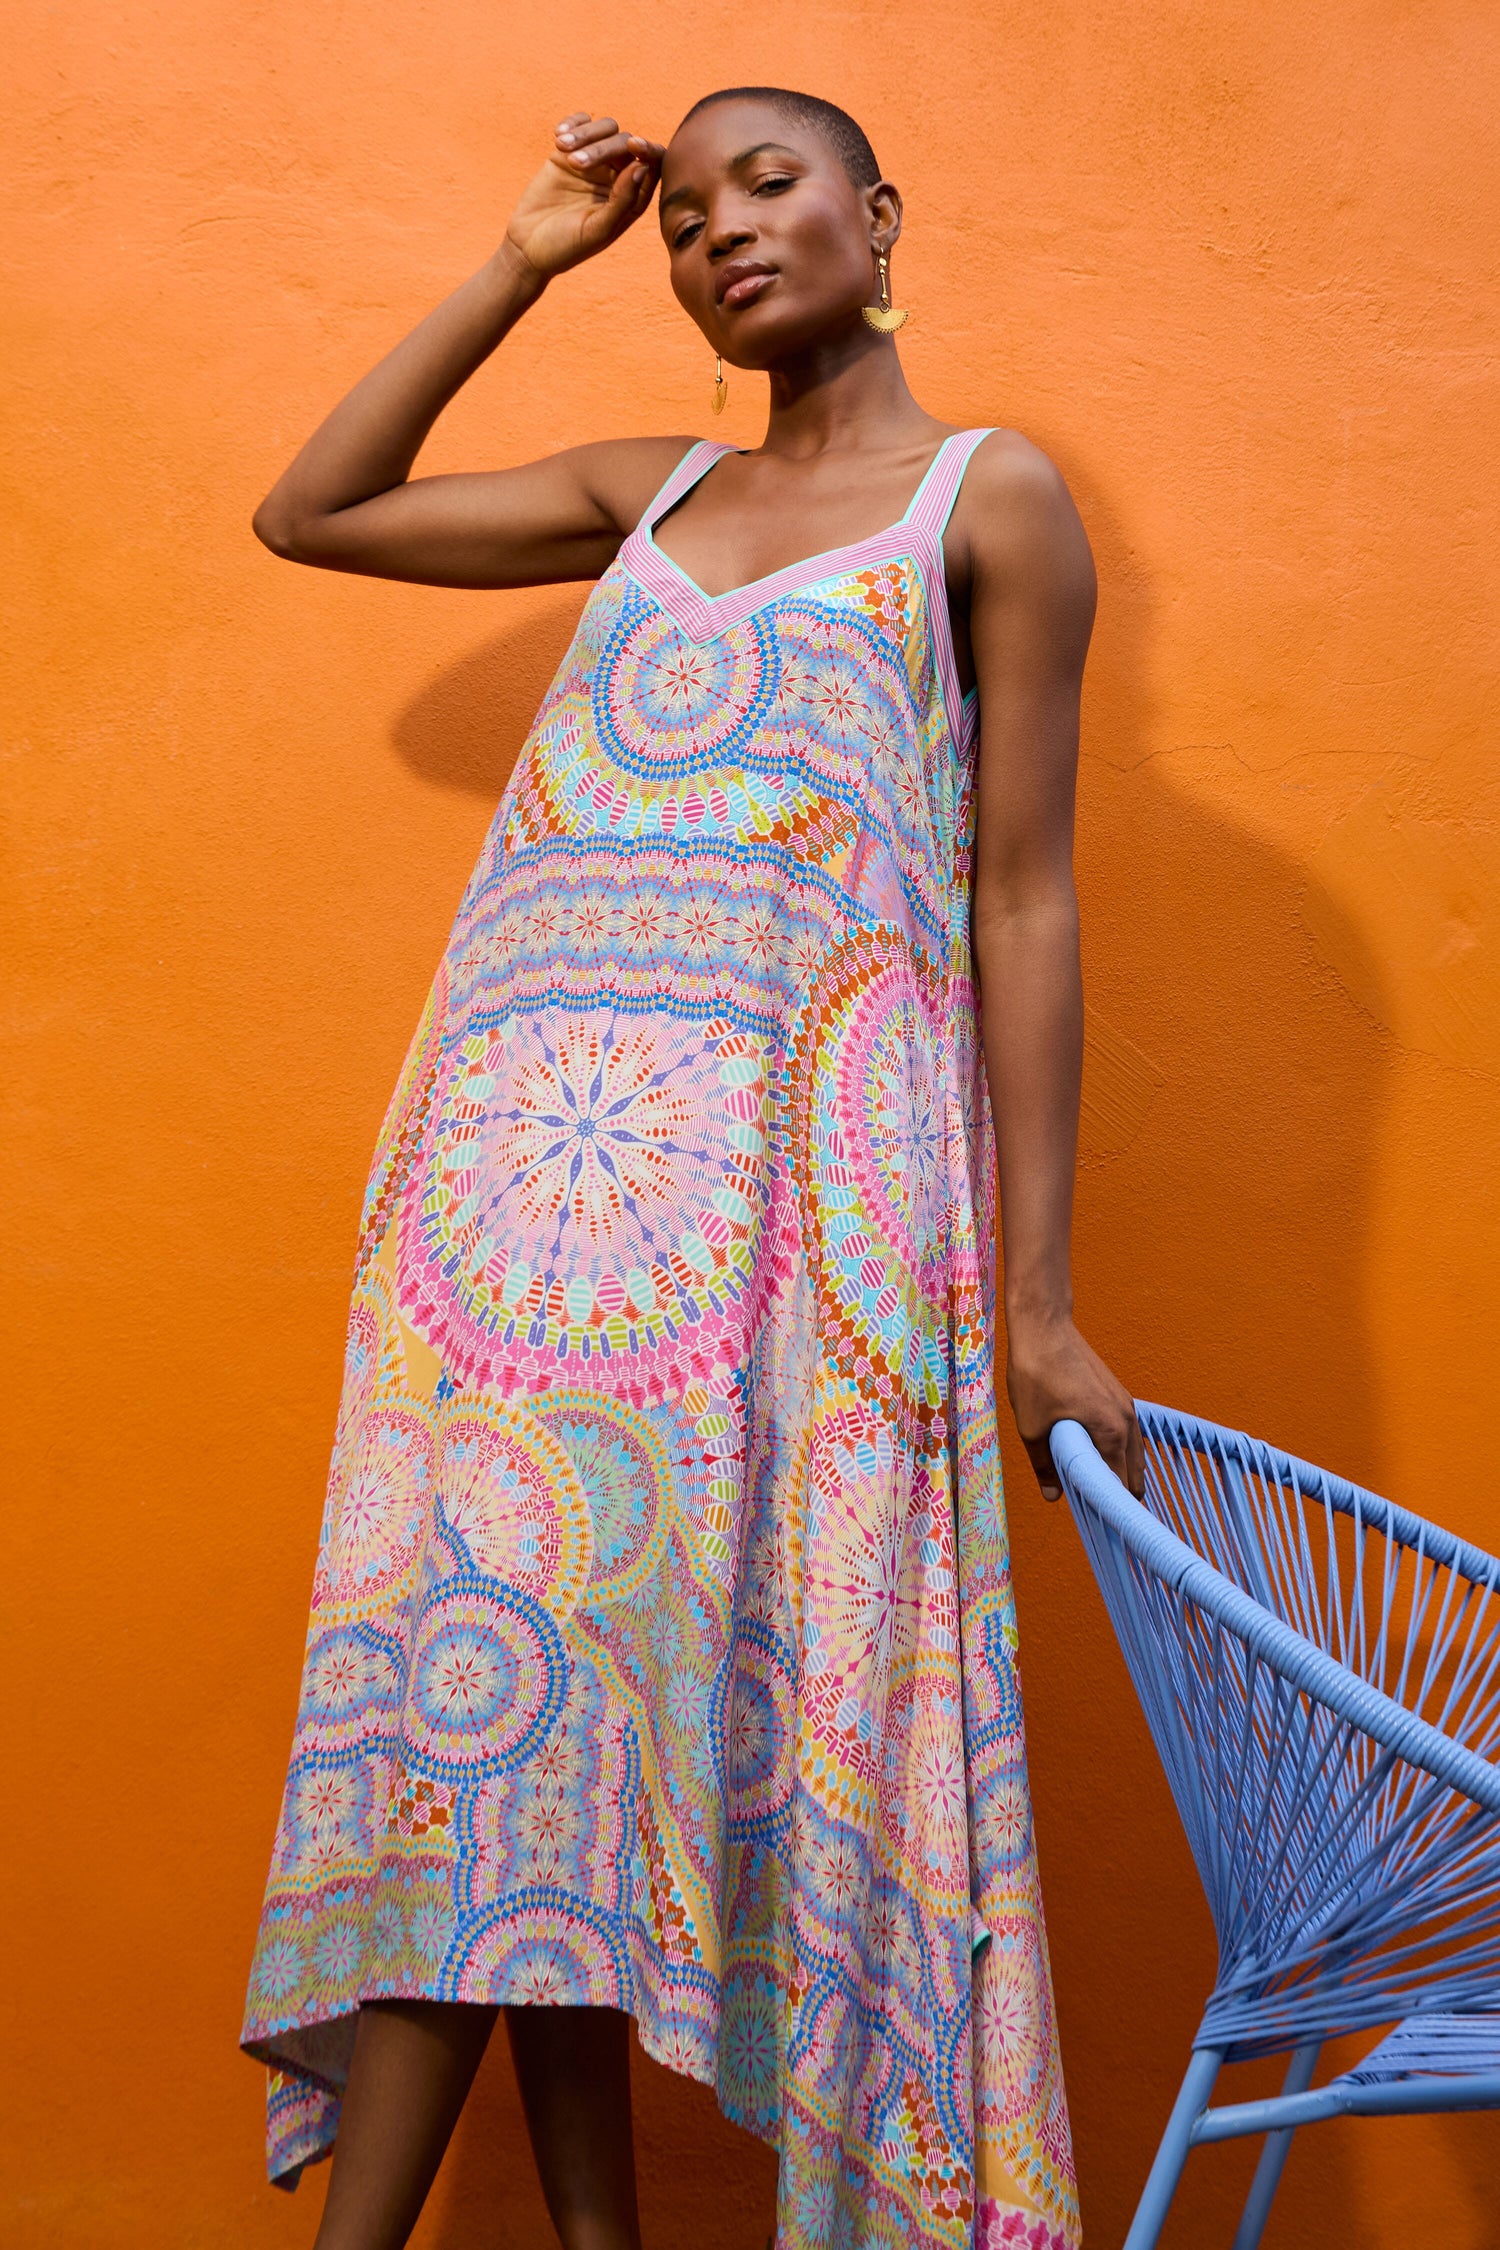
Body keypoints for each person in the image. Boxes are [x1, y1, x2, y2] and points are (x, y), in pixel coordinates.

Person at [241, 85, 1142, 2250]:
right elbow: (313, 510)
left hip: (787, 1229)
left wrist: (1034, 1298)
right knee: (505, 1692)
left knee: (590, 1699)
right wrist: (528, 250)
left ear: (877, 214)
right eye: (687, 214)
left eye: (773, 184)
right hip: (506, 1206)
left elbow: (1023, 900)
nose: (721, 231)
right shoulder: (652, 488)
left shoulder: (984, 496)